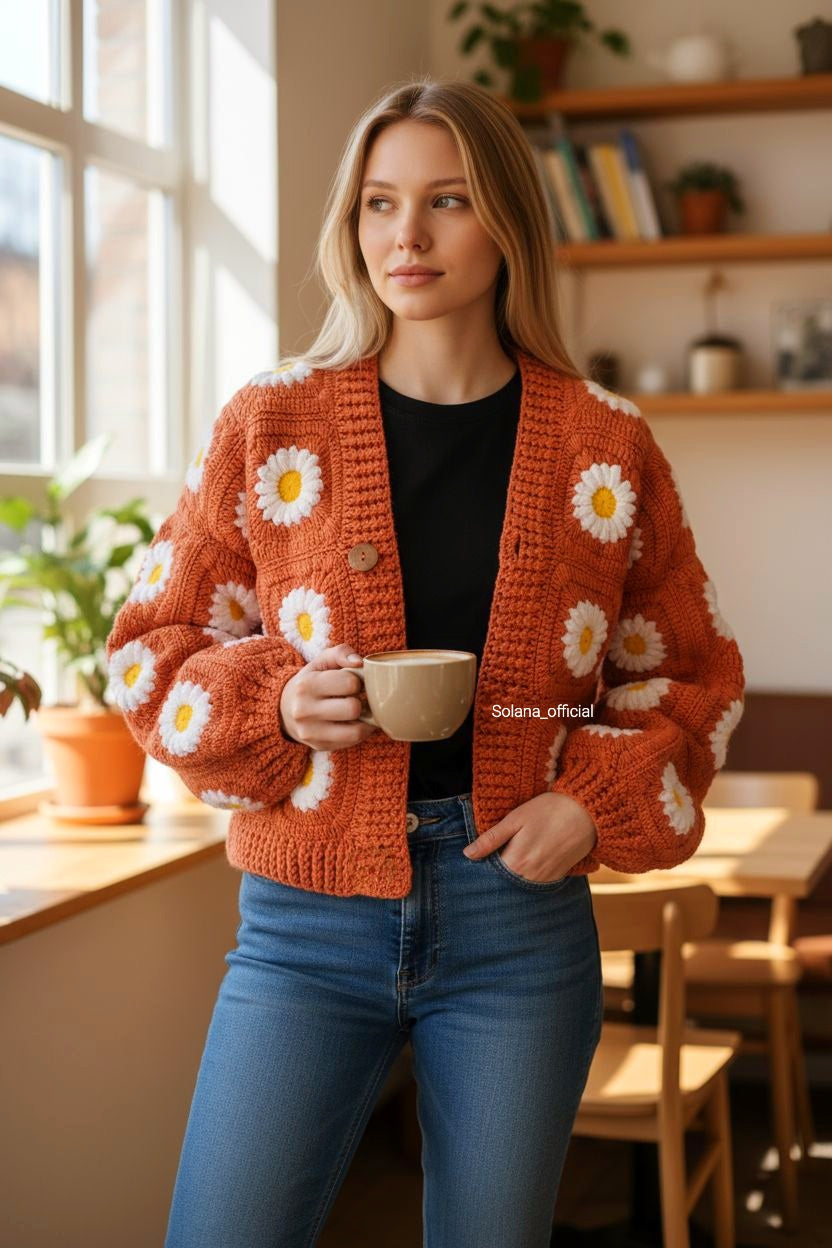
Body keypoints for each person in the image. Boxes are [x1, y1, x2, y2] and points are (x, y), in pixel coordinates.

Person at [106, 76, 745, 1248]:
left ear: (505, 219)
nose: (407, 236)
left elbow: (687, 676)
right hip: (302, 923)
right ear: (351, 227)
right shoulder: (272, 423)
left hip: (518, 924)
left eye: (446, 201)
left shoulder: (605, 445)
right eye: (377, 203)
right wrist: (280, 701)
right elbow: (150, 647)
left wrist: (590, 806)